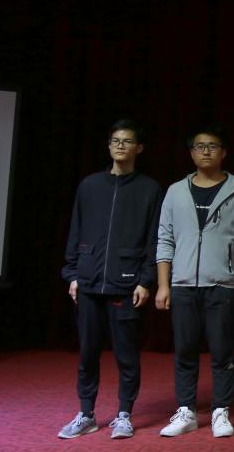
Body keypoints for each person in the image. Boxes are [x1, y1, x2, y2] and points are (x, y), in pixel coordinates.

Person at [154, 124, 234, 438]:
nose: (206, 151)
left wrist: (227, 261)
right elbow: (165, 239)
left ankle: (220, 410)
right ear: (191, 153)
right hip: (183, 284)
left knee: (222, 349)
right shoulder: (175, 191)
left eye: (212, 146)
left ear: (223, 152)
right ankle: (186, 410)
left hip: (221, 285)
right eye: (199, 146)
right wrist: (164, 285)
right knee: (185, 349)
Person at [58, 119, 162, 440]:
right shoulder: (89, 186)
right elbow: (76, 231)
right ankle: (86, 414)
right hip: (88, 282)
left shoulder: (149, 189)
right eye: (115, 140)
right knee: (87, 353)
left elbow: (153, 239)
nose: (120, 146)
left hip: (126, 284)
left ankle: (124, 414)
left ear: (139, 148)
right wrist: (72, 274)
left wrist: (146, 280)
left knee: (126, 355)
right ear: (108, 145)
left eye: (127, 141)